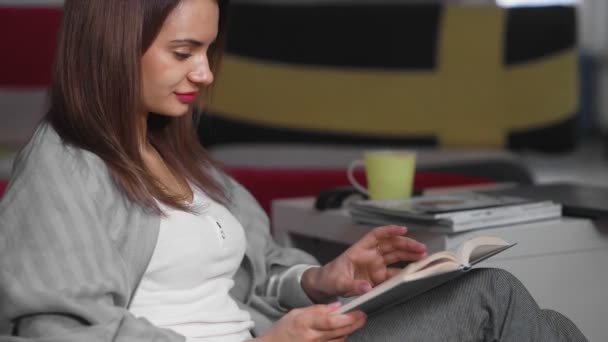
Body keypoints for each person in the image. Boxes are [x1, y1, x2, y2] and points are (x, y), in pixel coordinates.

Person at [0, 0, 586, 341]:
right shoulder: (65, 163)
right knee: (493, 298)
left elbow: (255, 268)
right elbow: (60, 331)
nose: (204, 74)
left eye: (208, 52)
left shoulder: (178, 155)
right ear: (112, 48)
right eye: (184, 53)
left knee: (529, 314)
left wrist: (319, 280)